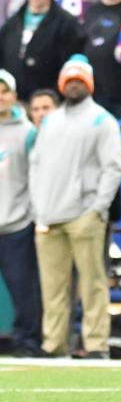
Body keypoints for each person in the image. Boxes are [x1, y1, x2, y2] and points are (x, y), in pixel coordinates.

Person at [30, 55, 121, 357]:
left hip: (85, 215)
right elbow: (36, 166)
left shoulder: (102, 120)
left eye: (79, 80)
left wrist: (97, 209)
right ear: (61, 85)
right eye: (69, 81)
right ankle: (54, 344)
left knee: (92, 284)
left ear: (89, 84)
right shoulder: (50, 121)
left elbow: (115, 168)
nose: (73, 86)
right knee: (53, 288)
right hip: (49, 215)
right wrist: (39, 208)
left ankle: (96, 344)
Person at [0, 69, 44, 357]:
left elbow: (38, 177)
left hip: (16, 223)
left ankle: (27, 341)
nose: (0, 98)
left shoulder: (27, 132)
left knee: (22, 288)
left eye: (4, 91)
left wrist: (33, 215)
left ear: (14, 96)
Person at [0, 0, 86, 101]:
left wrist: (57, 94)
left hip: (48, 97)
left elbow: (71, 60)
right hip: (14, 97)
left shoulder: (66, 23)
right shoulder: (14, 22)